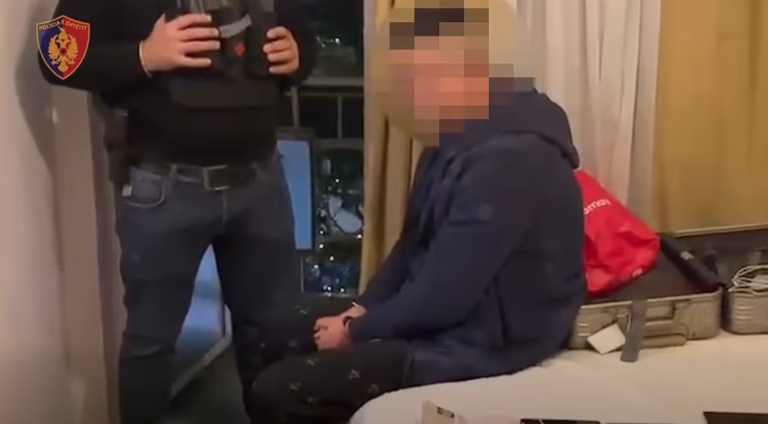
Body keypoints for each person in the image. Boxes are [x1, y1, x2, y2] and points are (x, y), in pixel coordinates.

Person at [244, 0, 587, 423]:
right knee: (274, 332)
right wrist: (363, 308)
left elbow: (447, 295)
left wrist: (355, 331)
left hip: (482, 342)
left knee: (281, 390)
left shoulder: (513, 160)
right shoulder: (457, 132)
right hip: (441, 314)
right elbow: (411, 246)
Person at [37, 0, 316, 422]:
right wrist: (144, 55)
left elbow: (302, 39)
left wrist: (299, 56)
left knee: (271, 333)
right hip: (162, 188)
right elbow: (53, 57)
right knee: (151, 343)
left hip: (261, 183)